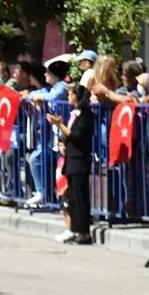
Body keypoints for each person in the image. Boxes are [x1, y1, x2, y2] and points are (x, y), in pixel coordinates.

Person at [47, 84, 95, 245]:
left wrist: (59, 124)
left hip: (80, 160)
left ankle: (84, 232)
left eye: (70, 94)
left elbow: (76, 136)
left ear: (77, 96)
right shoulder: (74, 114)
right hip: (71, 159)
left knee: (81, 198)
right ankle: (75, 229)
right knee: (73, 197)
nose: (68, 96)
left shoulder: (86, 115)